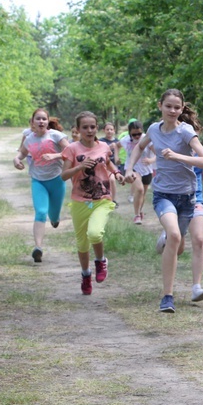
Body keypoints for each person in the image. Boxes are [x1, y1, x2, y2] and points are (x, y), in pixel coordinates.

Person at [124, 89, 203, 313]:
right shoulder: (154, 129)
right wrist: (129, 168)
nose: (173, 110)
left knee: (178, 245)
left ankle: (166, 238)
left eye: (177, 107)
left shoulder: (186, 132)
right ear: (160, 106)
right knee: (175, 236)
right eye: (168, 106)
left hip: (187, 197)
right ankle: (167, 296)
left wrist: (177, 156)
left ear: (182, 109)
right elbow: (139, 147)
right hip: (163, 194)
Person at [60, 111, 125, 295]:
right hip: (80, 201)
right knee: (81, 244)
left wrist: (117, 174)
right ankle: (86, 275)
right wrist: (80, 167)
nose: (89, 130)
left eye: (92, 127)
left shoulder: (104, 146)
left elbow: (109, 164)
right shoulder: (72, 149)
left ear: (97, 128)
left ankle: (100, 260)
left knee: (95, 234)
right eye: (85, 127)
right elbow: (63, 176)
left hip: (102, 199)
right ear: (78, 129)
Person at [156, 162, 203, 302]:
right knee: (177, 247)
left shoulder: (201, 151)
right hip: (175, 198)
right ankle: (170, 234)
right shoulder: (176, 146)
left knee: (199, 239)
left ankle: (196, 287)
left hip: (196, 199)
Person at [13, 108, 69, 263]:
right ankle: (38, 248)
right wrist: (16, 159)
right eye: (38, 119)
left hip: (57, 180)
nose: (41, 121)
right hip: (38, 180)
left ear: (48, 121)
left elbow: (71, 151)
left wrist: (56, 155)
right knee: (41, 212)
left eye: (44, 119)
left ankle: (55, 218)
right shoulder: (29, 138)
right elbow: (22, 153)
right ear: (33, 122)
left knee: (54, 215)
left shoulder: (56, 136)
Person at [119, 120, 155, 225]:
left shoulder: (147, 139)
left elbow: (158, 154)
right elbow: (116, 146)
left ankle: (139, 210)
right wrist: (116, 156)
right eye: (134, 134)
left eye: (139, 133)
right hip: (132, 168)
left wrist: (151, 160)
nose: (137, 136)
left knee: (142, 193)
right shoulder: (125, 140)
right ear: (129, 133)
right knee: (139, 189)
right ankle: (137, 215)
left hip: (147, 169)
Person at [100, 122, 120, 207]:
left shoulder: (118, 142)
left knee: (111, 180)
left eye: (111, 129)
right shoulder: (101, 141)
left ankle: (113, 200)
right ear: (103, 130)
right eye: (107, 129)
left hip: (113, 166)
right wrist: (108, 148)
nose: (109, 131)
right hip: (103, 165)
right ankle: (105, 199)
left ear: (114, 131)